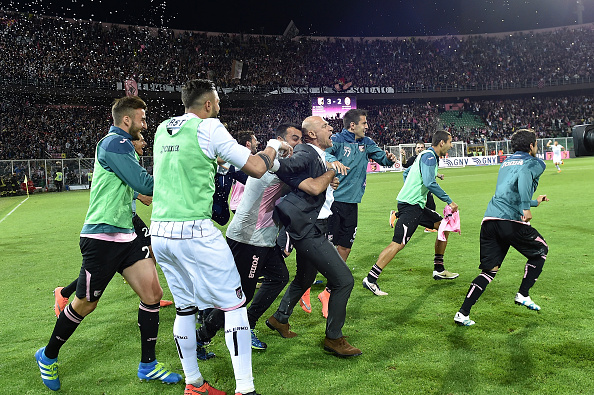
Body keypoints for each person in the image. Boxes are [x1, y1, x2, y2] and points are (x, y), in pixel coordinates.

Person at [150, 79, 292, 395]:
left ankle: (194, 384)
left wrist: (219, 161)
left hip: (159, 231)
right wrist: (273, 144)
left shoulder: (163, 129)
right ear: (209, 104)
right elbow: (256, 167)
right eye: (218, 102)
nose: (219, 107)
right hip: (194, 232)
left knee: (185, 309)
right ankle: (245, 389)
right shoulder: (211, 127)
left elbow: (191, 164)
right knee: (235, 307)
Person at [35, 96, 182, 392]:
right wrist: (183, 179)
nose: (144, 123)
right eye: (141, 118)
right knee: (86, 304)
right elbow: (143, 183)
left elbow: (129, 187)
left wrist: (138, 195)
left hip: (126, 234)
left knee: (152, 295)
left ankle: (148, 365)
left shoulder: (125, 146)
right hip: (102, 237)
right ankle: (47, 356)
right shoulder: (114, 143)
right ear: (126, 120)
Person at [194, 123, 303, 352]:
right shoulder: (274, 164)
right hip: (248, 239)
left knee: (279, 276)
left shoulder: (276, 163)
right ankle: (202, 336)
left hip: (262, 238)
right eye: (294, 138)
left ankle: (246, 323)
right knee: (240, 294)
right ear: (281, 140)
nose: (298, 143)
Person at [266, 116, 362, 358]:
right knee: (344, 281)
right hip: (309, 229)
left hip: (313, 225)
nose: (330, 128)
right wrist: (274, 162)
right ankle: (334, 338)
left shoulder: (317, 156)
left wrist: (330, 182)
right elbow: (289, 166)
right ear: (311, 135)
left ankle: (279, 318)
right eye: (325, 126)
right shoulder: (306, 151)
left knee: (305, 278)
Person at [53, 133, 173, 318]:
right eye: (141, 140)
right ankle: (64, 292)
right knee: (112, 264)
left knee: (149, 250)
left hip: (129, 217)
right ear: (131, 142)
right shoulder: (119, 153)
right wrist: (139, 195)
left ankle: (150, 296)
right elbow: (118, 183)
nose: (144, 143)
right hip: (118, 219)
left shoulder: (130, 157)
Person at [454, 129, 549, 326]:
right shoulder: (535, 163)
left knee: (489, 271)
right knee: (541, 250)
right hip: (509, 221)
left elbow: (507, 191)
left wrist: (533, 202)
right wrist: (525, 208)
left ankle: (463, 313)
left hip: (489, 220)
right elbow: (524, 176)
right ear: (531, 146)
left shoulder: (506, 162)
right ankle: (523, 294)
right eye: (536, 144)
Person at [309, 109, 396, 318]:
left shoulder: (367, 142)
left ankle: (329, 289)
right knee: (326, 247)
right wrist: (333, 162)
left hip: (352, 204)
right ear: (352, 126)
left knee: (345, 247)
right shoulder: (337, 140)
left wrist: (389, 159)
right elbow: (324, 154)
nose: (366, 127)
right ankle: (309, 281)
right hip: (333, 203)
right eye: (364, 123)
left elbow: (382, 159)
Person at [362, 130, 460, 297]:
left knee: (444, 226)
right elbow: (429, 182)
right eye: (450, 142)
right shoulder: (429, 157)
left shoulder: (427, 156)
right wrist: (449, 201)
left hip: (416, 205)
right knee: (398, 243)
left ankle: (439, 269)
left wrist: (410, 188)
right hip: (411, 205)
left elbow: (408, 173)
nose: (451, 145)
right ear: (442, 143)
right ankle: (371, 279)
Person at [392, 141, 444, 232]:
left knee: (423, 206)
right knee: (428, 204)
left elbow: (428, 171)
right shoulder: (414, 159)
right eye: (418, 147)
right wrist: (403, 156)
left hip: (423, 185)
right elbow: (405, 166)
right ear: (415, 149)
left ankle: (397, 215)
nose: (420, 149)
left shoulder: (427, 157)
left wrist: (438, 175)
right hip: (418, 187)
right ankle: (429, 226)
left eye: (421, 147)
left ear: (424, 148)